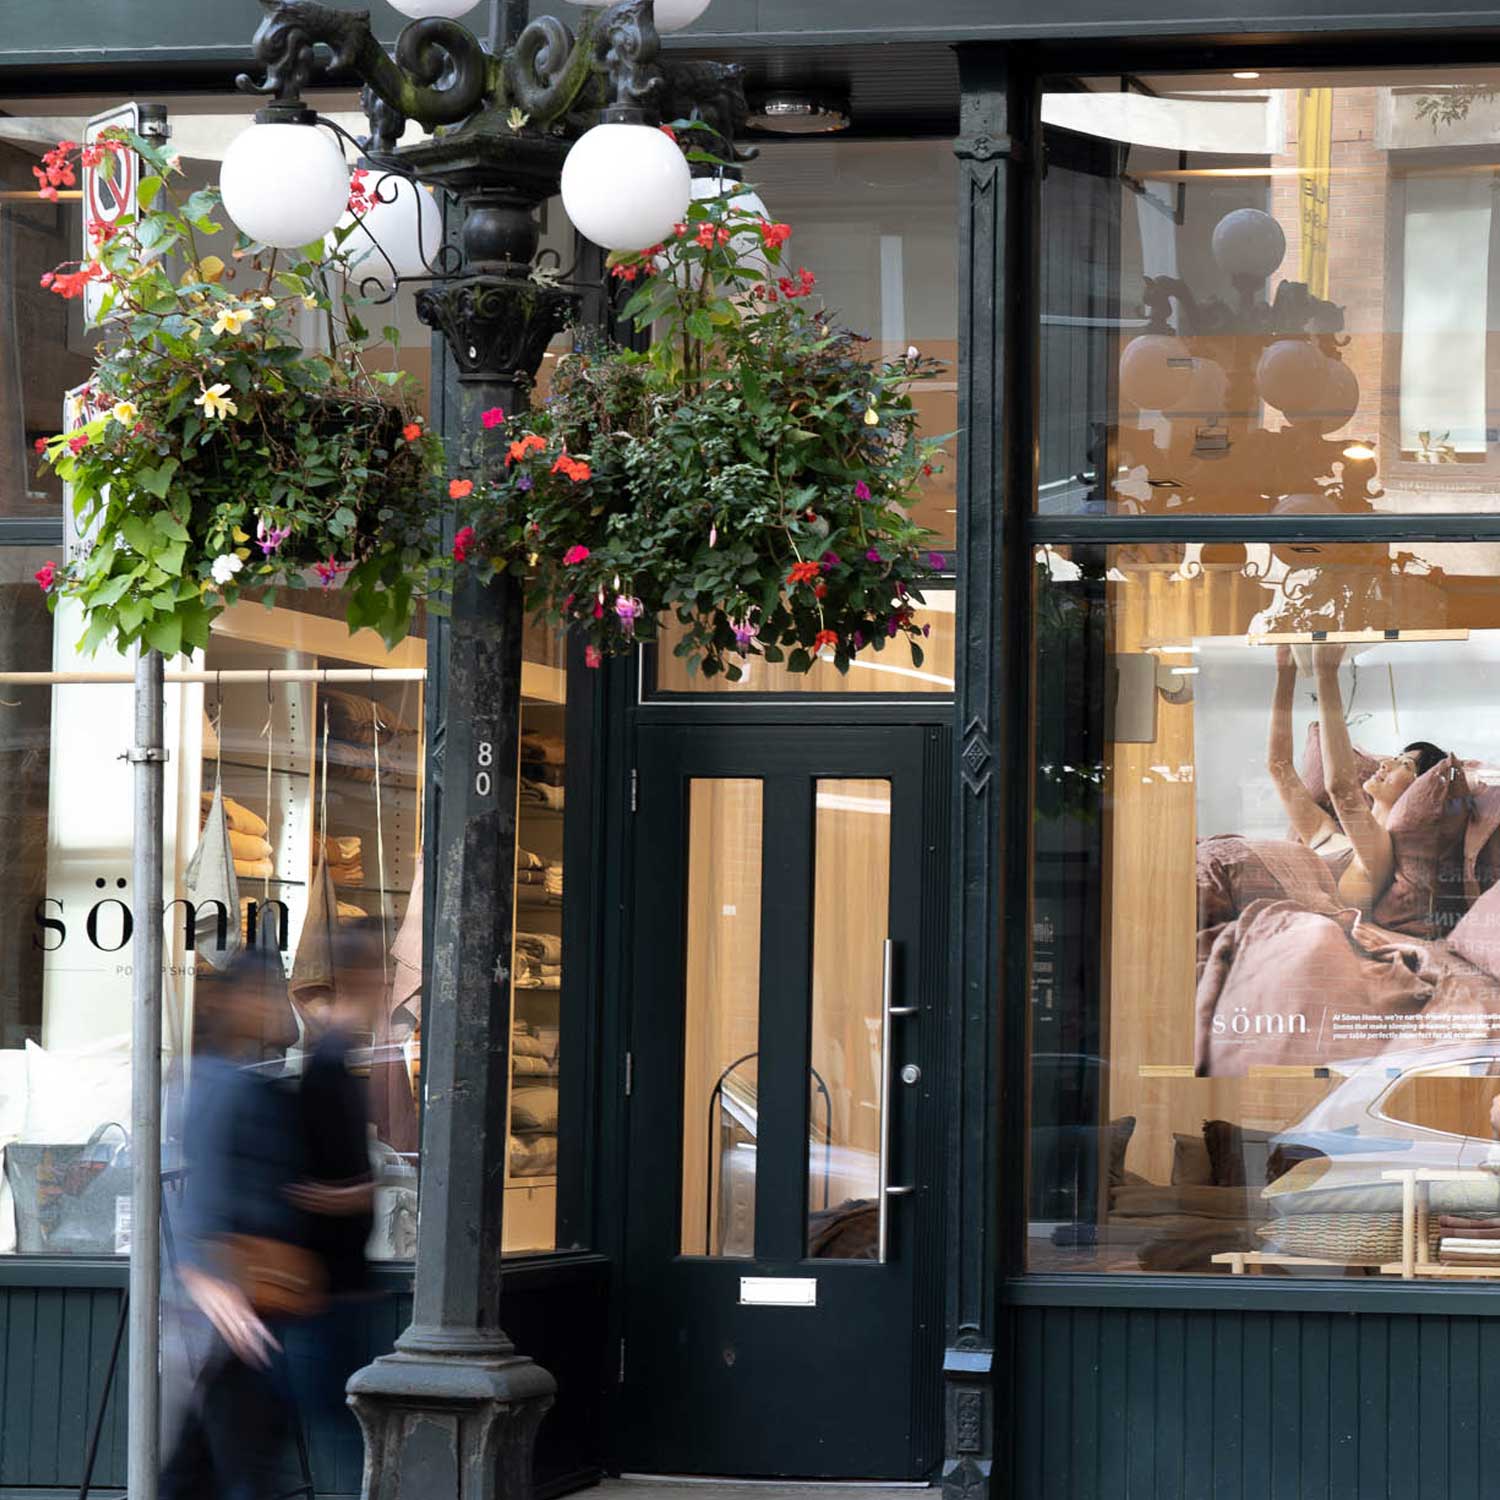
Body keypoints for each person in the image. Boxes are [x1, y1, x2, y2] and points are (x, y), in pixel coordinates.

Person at [161, 938, 306, 1500]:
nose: (281, 1006)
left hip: (244, 1301)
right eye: (273, 992)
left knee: (199, 1468)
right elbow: (208, 1187)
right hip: (234, 1304)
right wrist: (212, 1284)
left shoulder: (242, 1076)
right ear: (244, 999)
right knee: (238, 1467)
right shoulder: (224, 1083)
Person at [282, 918, 382, 1434]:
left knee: (334, 1420)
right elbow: (306, 1184)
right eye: (374, 977)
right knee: (336, 1422)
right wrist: (360, 1194)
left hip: (336, 1279)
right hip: (324, 1283)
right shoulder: (326, 1064)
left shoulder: (335, 1058)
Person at [1266, 642, 1449, 915]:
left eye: (1406, 765)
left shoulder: (1381, 852)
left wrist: (1327, 673)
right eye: (1396, 757)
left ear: (1418, 790)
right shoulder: (1325, 830)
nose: (1386, 763)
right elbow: (1279, 768)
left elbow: (1341, 790)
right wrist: (1285, 670)